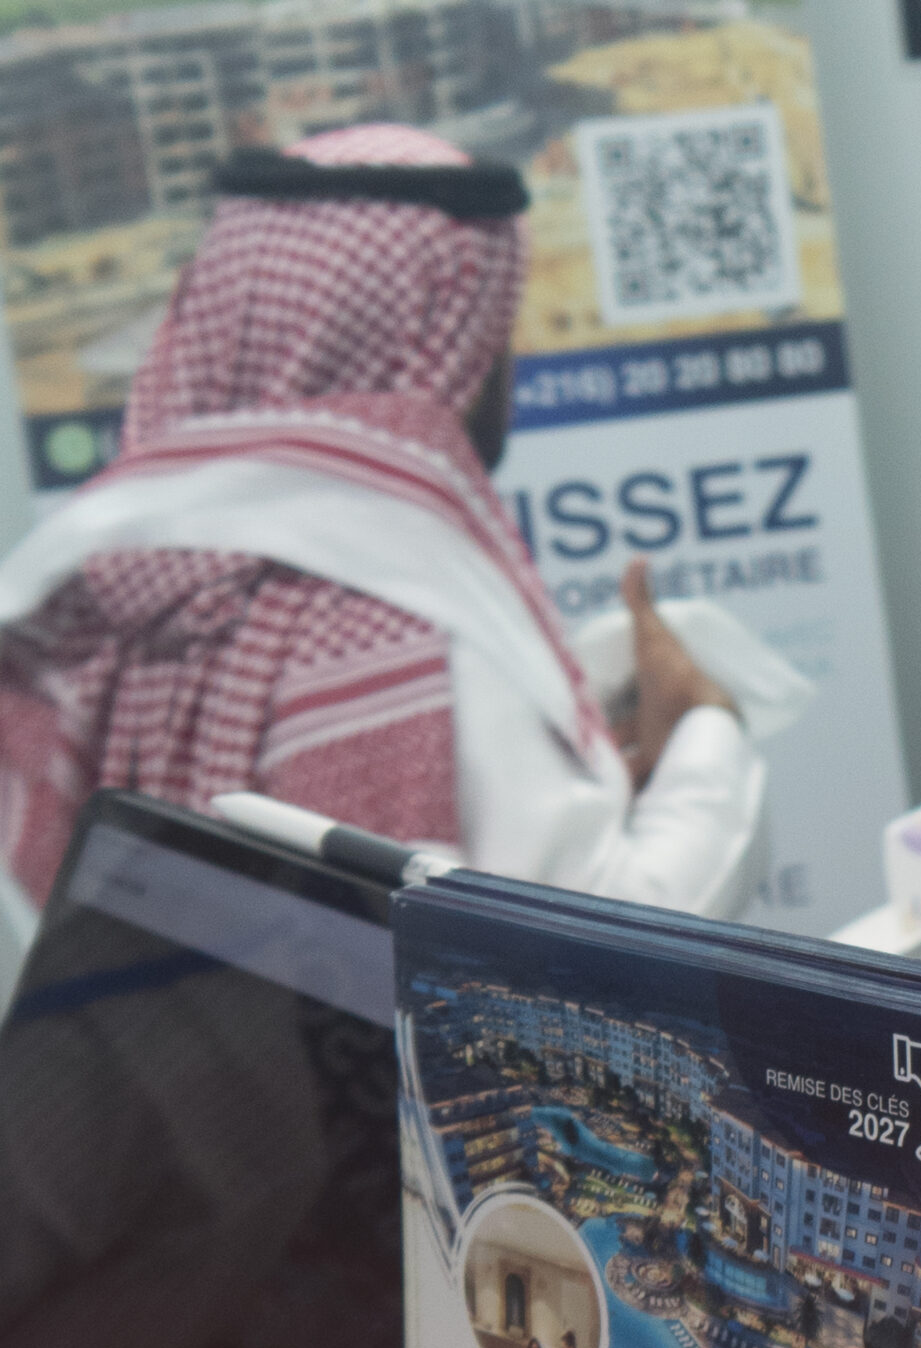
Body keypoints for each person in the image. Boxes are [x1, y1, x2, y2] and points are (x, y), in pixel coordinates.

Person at [0, 124, 759, 915]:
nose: (504, 364)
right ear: (444, 344)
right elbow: (600, 944)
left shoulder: (114, 601)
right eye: (496, 333)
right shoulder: (404, 630)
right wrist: (707, 729)